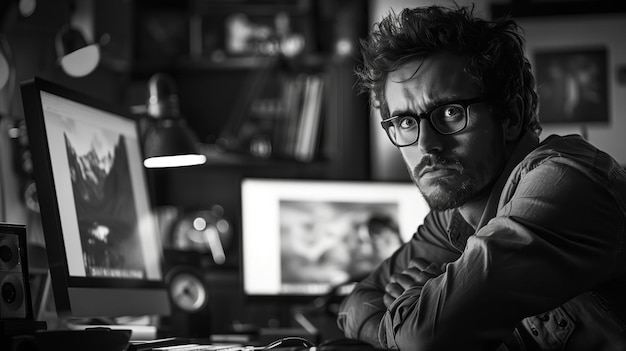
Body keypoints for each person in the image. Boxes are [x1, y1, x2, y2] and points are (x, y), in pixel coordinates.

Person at [336, 4, 626, 350]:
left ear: (511, 116)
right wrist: (413, 313)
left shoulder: (566, 184)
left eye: (449, 113)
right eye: (405, 122)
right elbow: (356, 303)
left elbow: (424, 338)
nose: (427, 145)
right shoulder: (454, 215)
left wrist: (415, 302)